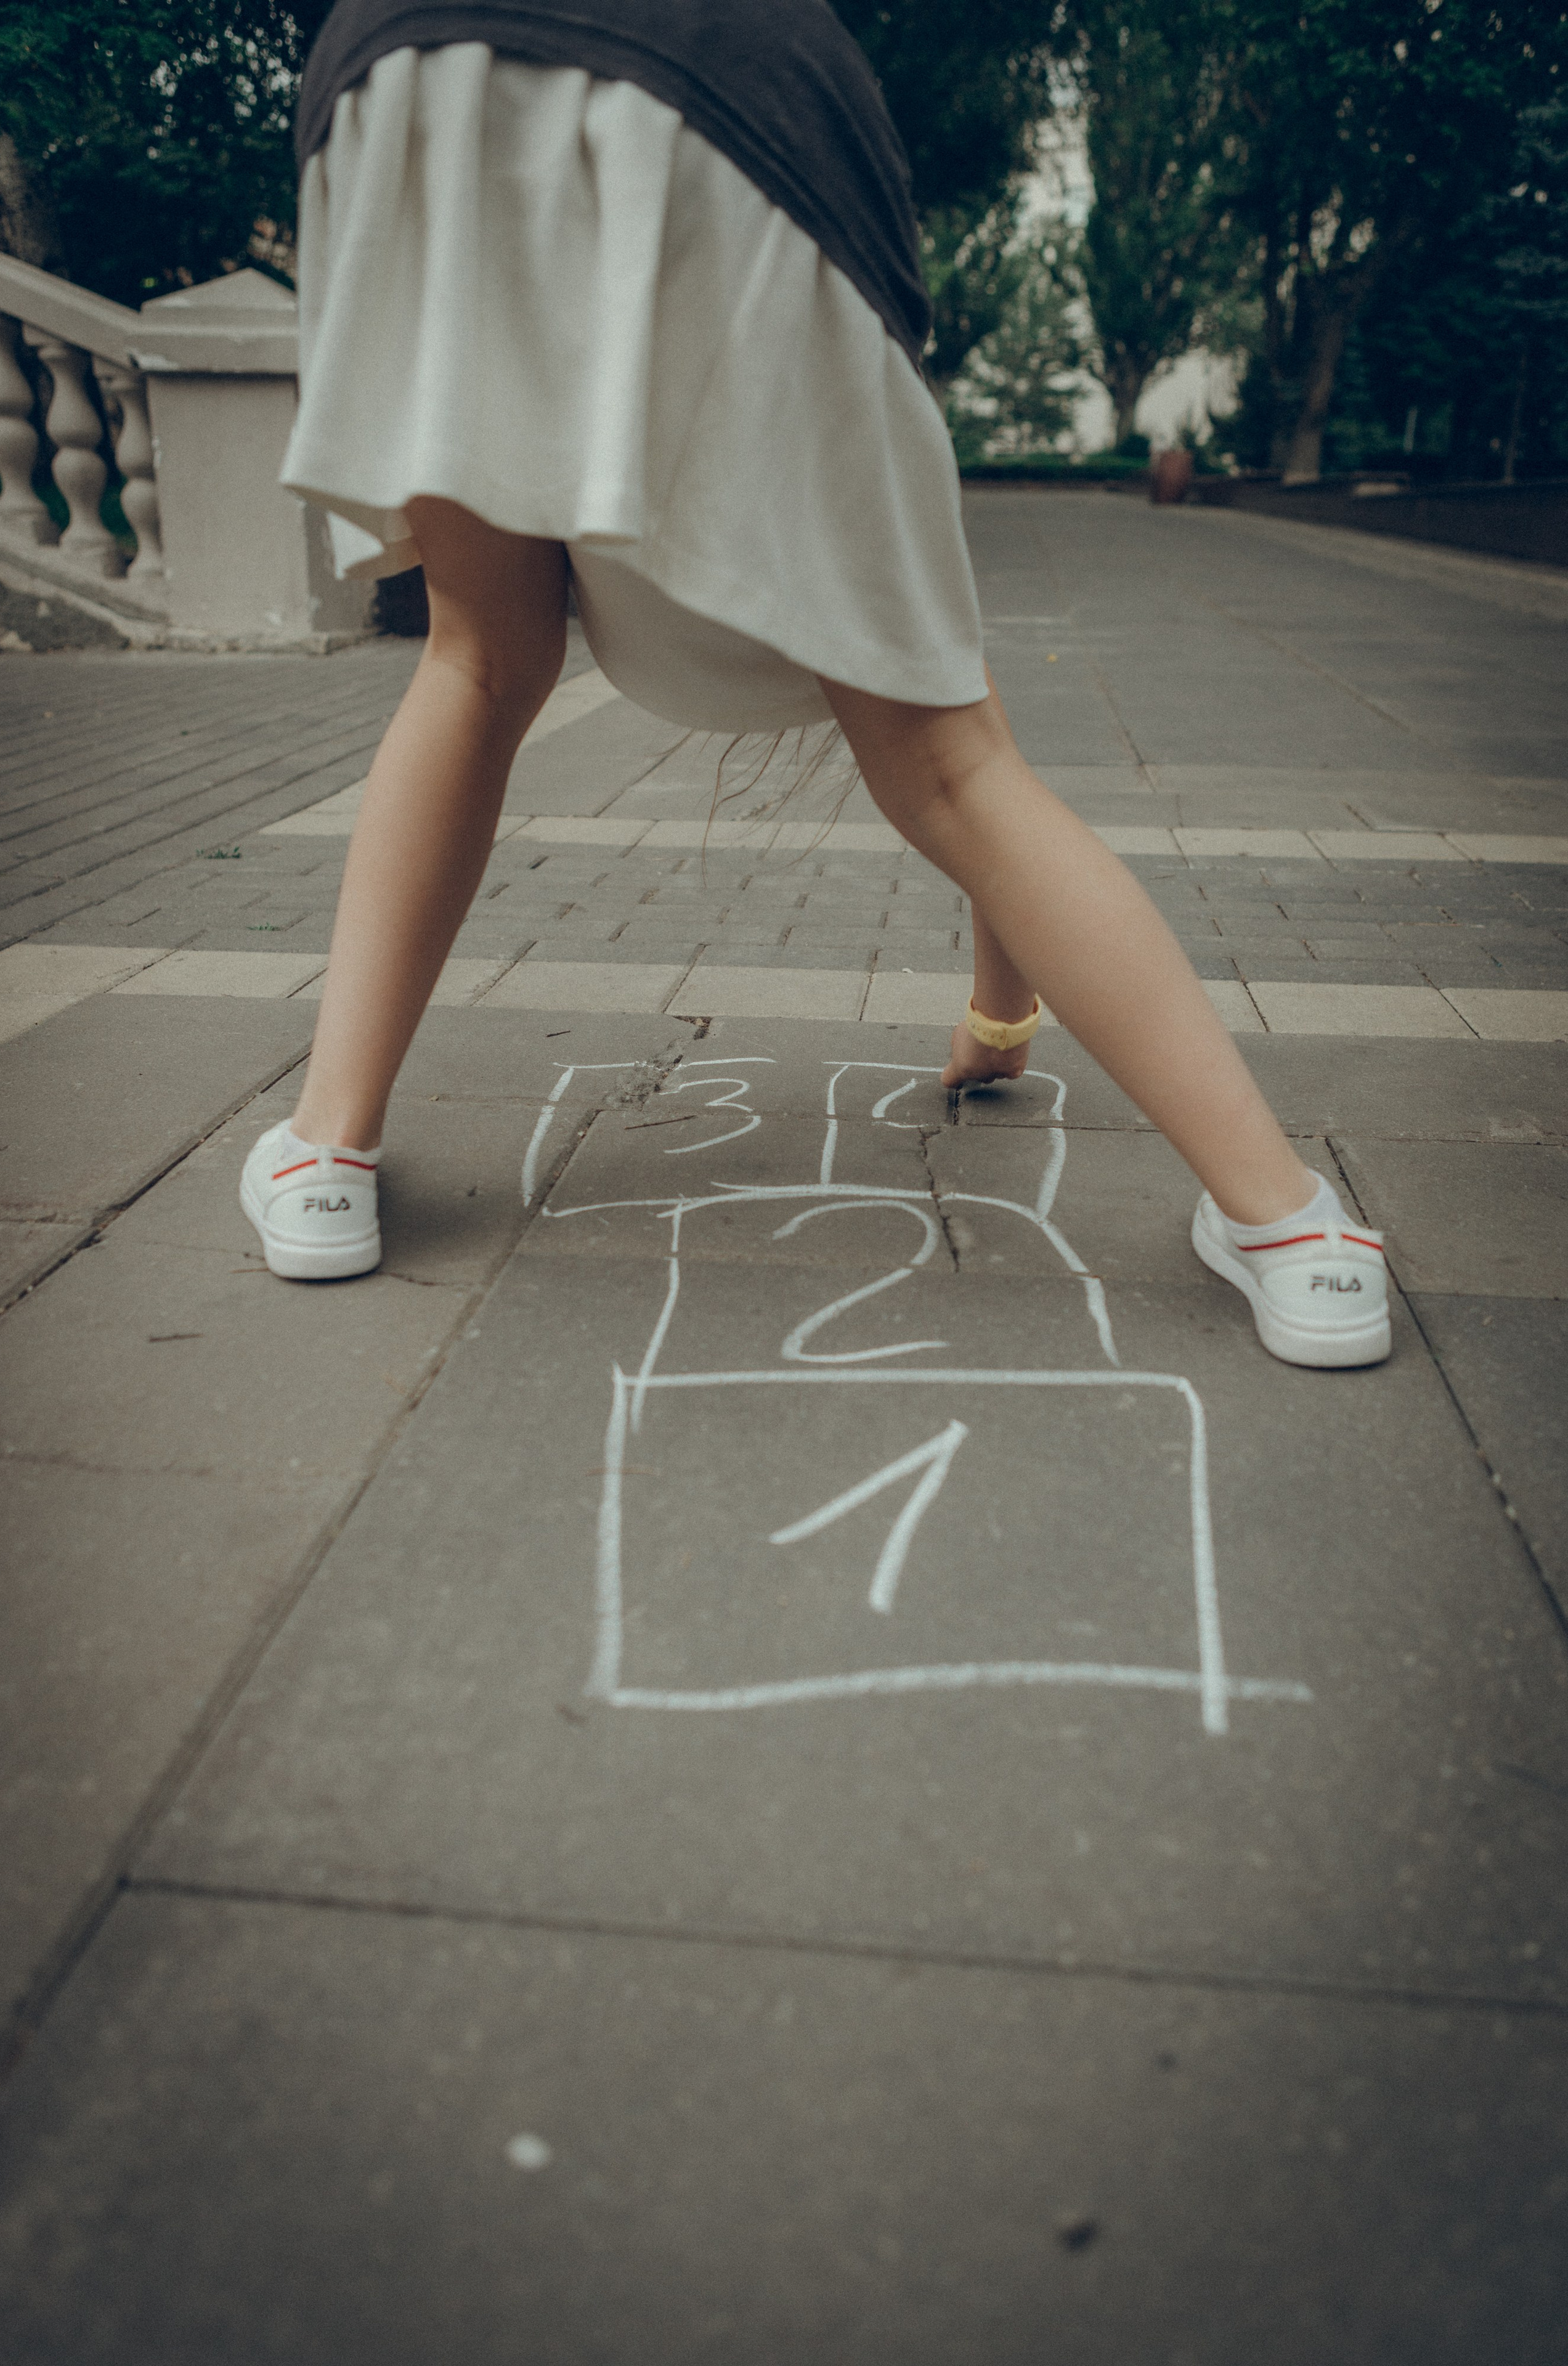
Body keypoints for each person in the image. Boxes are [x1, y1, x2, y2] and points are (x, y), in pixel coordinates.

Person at [240, 0, 1390, 1370]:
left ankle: (323, 1156)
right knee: (946, 758)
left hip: (415, 67)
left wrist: (998, 1018)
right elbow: (966, 746)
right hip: (738, 106)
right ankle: (1295, 1233)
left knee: (478, 657)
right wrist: (1000, 1019)